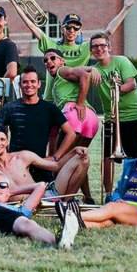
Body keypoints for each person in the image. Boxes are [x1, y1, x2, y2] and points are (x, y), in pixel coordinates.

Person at [8, 0, 134, 101]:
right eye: (68, 27)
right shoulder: (53, 46)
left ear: (79, 31)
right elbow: (31, 26)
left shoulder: (85, 47)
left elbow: (108, 32)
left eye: (76, 28)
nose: (72, 30)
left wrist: (126, 8)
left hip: (74, 100)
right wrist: (14, 2)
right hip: (52, 98)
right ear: (62, 29)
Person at [0, 66, 78, 183]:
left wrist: (55, 157)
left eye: (33, 81)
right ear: (20, 85)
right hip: (16, 166)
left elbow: (71, 134)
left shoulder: (49, 108)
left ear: (39, 84)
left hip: (41, 164)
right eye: (25, 82)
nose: (29, 85)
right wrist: (3, 154)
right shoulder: (10, 108)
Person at [81, 126, 137, 228]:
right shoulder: (132, 165)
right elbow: (118, 190)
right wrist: (117, 198)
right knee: (107, 223)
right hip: (123, 205)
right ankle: (71, 225)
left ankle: (73, 215)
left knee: (111, 207)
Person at [40, 48, 100, 201]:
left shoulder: (62, 71)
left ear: (62, 61)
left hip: (74, 114)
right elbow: (85, 71)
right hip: (91, 118)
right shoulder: (58, 81)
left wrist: (79, 103)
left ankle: (64, 199)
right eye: (45, 60)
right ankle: (88, 197)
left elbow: (84, 75)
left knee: (58, 162)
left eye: (53, 58)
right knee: (79, 159)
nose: (49, 62)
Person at [89, 31, 137, 193]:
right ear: (91, 51)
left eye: (102, 45)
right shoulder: (94, 70)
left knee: (133, 158)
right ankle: (108, 193)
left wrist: (115, 89)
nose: (99, 49)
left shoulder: (121, 61)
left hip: (133, 115)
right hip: (111, 117)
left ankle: (132, 191)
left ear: (109, 47)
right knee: (107, 158)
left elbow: (132, 84)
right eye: (95, 47)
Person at [0, 125, 90, 203]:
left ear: (7, 142)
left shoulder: (22, 156)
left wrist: (74, 150)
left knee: (82, 159)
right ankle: (62, 206)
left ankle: (66, 205)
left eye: (2, 139)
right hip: (25, 204)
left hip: (47, 195)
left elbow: (56, 166)